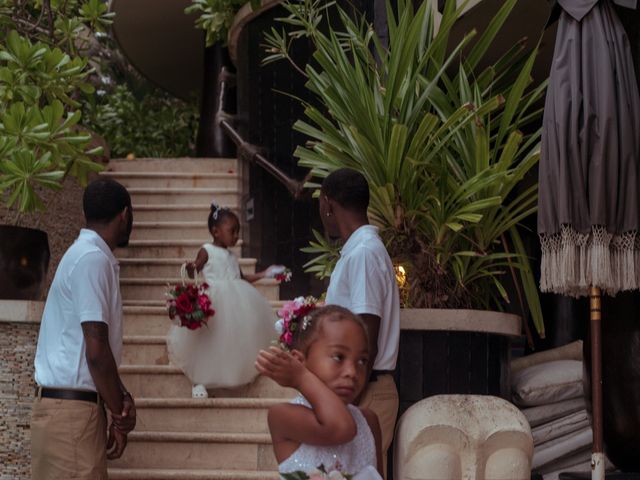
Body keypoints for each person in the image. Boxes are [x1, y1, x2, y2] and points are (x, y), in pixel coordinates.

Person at [31, 178, 136, 480]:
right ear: (124, 215)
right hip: (71, 417)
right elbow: (96, 352)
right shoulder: (92, 260)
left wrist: (120, 395)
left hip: (65, 412)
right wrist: (120, 415)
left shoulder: (83, 255)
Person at [319, 168, 400, 477]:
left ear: (328, 204)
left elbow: (366, 330)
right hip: (359, 387)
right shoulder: (358, 251)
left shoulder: (364, 253)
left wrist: (345, 397)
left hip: (365, 390)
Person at [256, 305, 383, 478]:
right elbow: (341, 428)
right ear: (300, 361)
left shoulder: (369, 420)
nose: (352, 372)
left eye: (362, 360)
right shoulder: (282, 416)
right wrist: (301, 378)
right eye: (338, 357)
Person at [166, 203, 279, 398]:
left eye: (238, 231)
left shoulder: (231, 255)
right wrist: (191, 267)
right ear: (216, 231)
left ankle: (235, 370)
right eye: (232, 231)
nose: (236, 236)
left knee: (234, 338)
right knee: (208, 339)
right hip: (214, 300)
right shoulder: (207, 250)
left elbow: (241, 278)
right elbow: (197, 267)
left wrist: (264, 273)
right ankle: (199, 380)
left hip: (237, 301)